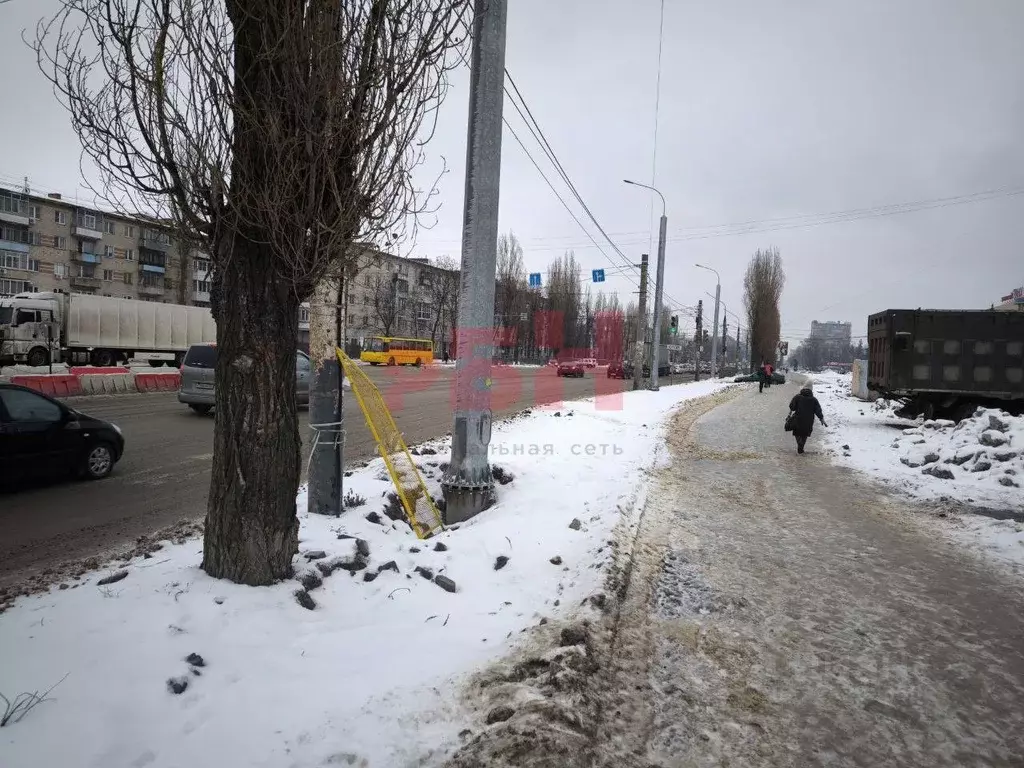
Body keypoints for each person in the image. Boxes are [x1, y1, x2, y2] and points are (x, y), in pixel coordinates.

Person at [788, 385, 827, 454]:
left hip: (798, 418)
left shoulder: (797, 397)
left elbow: (792, 407)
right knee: (805, 434)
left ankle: (799, 444)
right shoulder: (814, 399)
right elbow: (818, 410)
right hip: (809, 420)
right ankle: (801, 446)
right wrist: (821, 419)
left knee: (797, 432)